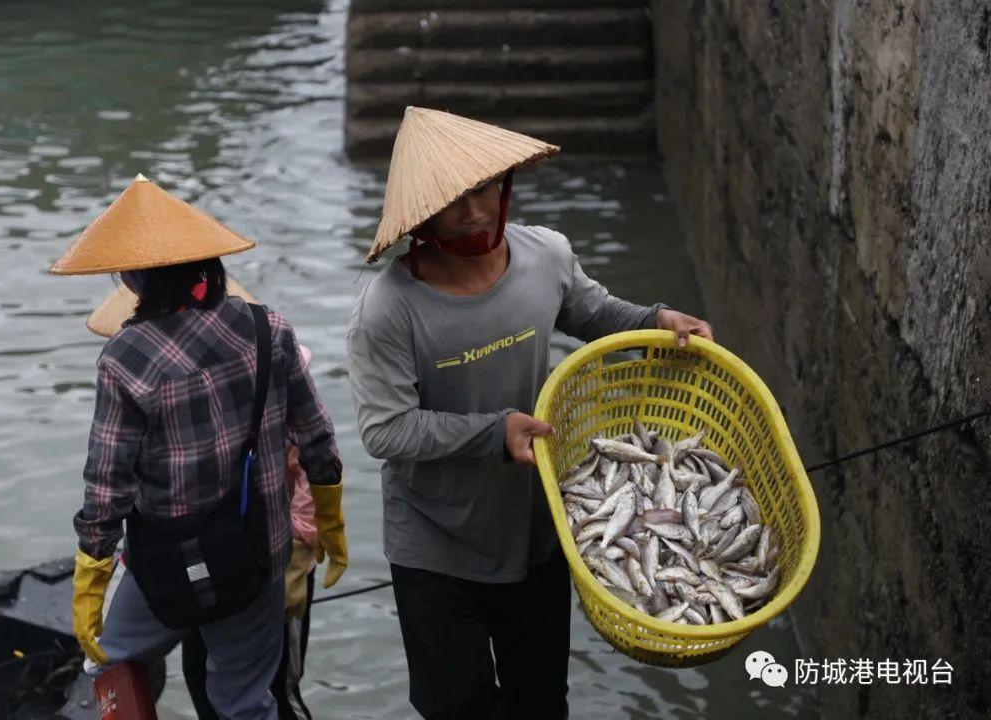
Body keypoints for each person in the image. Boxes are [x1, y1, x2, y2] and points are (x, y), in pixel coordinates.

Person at [346, 107, 713, 720]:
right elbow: (385, 430)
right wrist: (495, 431)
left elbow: (597, 316)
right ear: (421, 216)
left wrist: (658, 321)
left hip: (536, 532)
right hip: (435, 545)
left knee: (541, 703)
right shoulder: (388, 309)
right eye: (453, 199)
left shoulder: (546, 255)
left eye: (485, 189)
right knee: (456, 707)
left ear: (505, 184)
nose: (474, 211)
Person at [55, 174, 347, 719]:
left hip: (167, 558)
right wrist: (329, 521)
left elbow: (106, 487)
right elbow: (317, 438)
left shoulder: (125, 357)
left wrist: (91, 579)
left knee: (111, 660)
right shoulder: (269, 329)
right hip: (260, 552)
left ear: (136, 279)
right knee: (243, 699)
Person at [182, 345, 320, 720]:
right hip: (214, 562)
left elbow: (314, 479)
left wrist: (297, 559)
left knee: (279, 690)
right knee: (200, 676)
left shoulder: (287, 400)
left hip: (280, 560)